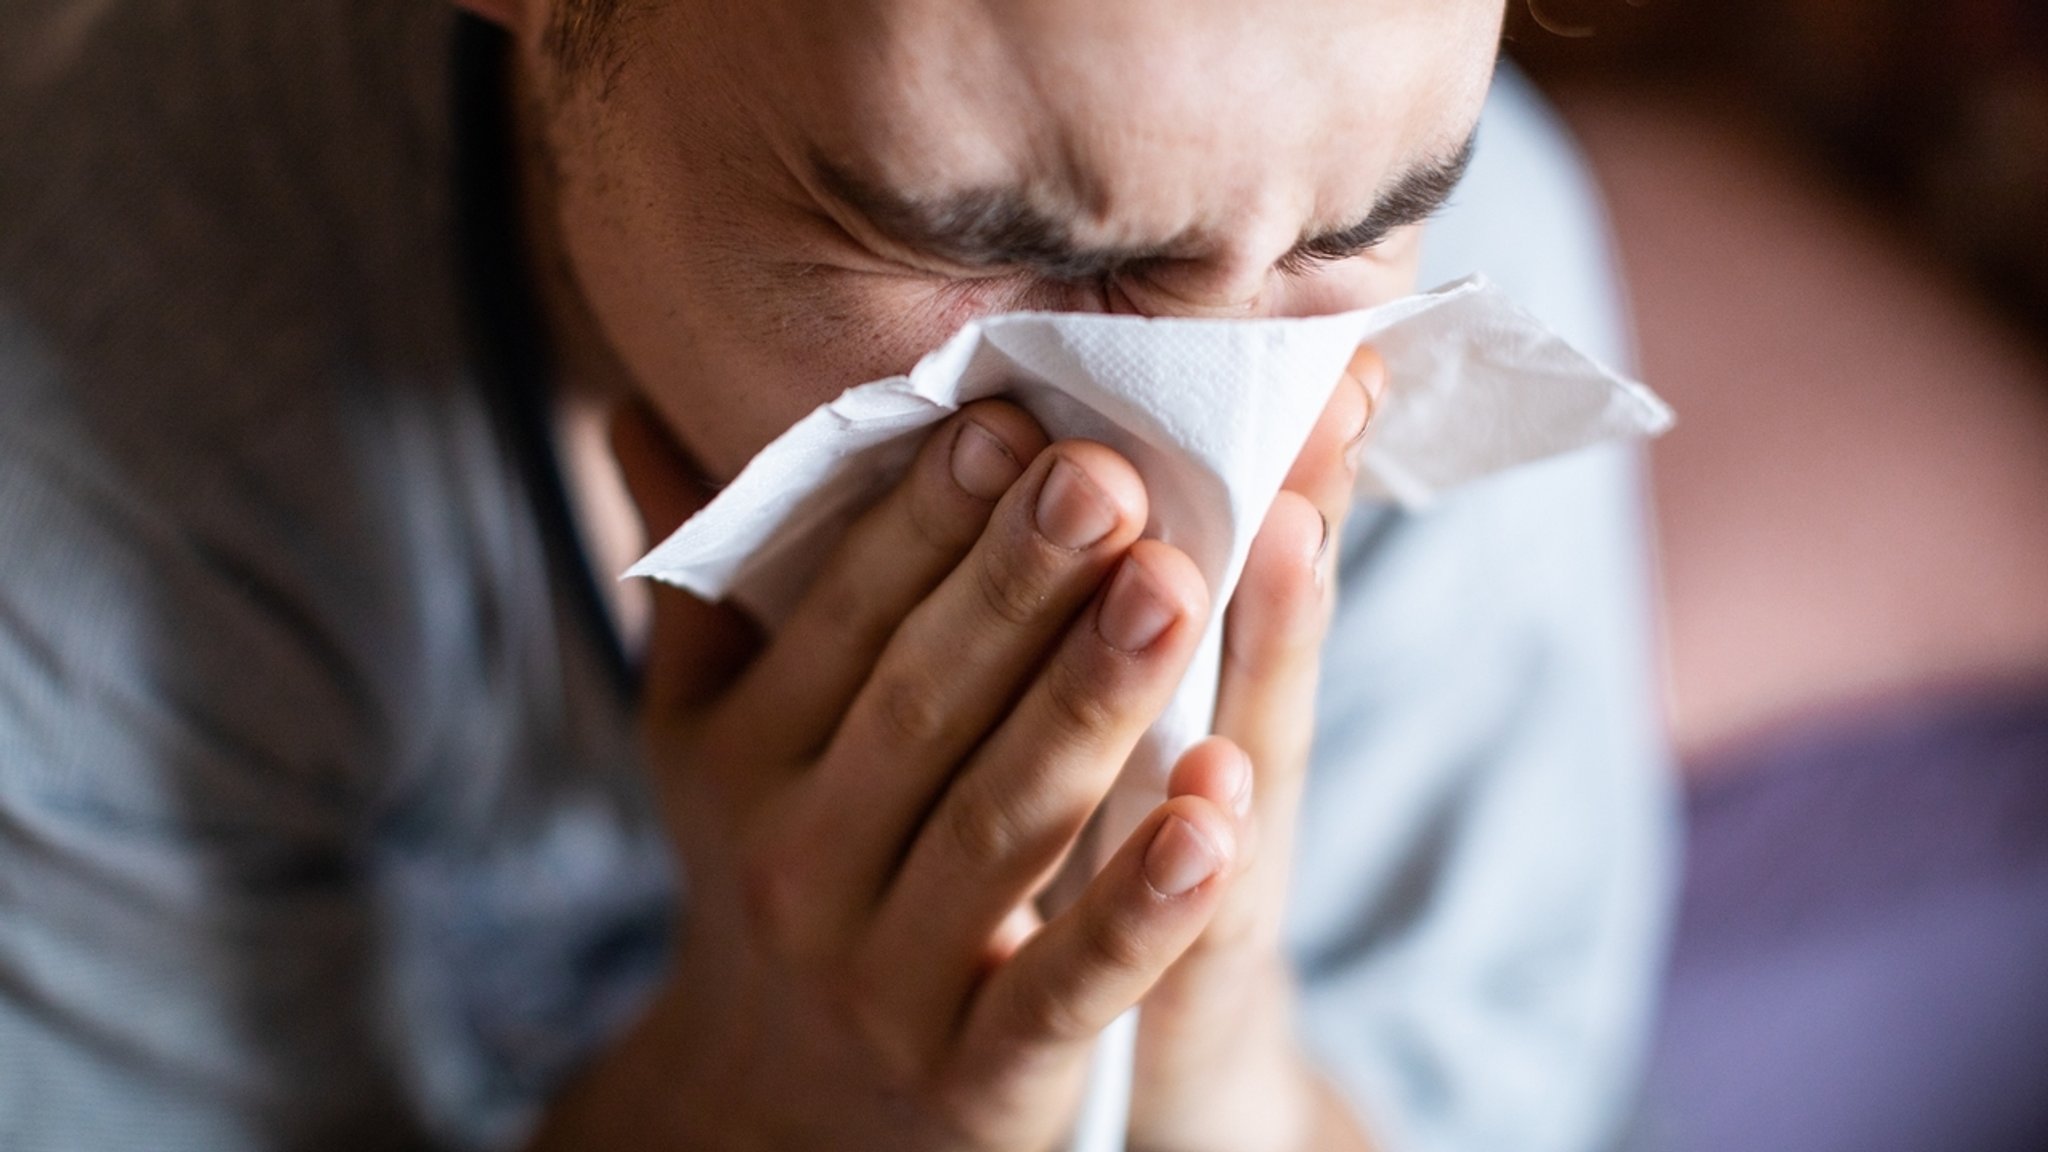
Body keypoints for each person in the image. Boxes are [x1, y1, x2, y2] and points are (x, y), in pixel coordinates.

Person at [0, 2, 1672, 1150]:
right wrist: (749, 1107)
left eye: (1356, 230)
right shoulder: (101, 422)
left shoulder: (1482, 305)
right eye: (996, 244)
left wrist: (1208, 1061)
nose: (1202, 472)